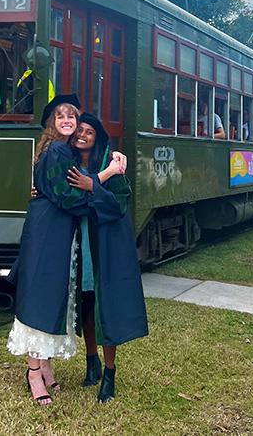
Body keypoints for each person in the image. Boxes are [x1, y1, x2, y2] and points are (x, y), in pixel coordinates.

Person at [6, 95, 124, 406]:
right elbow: (70, 197)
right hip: (49, 229)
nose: (68, 120)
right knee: (41, 295)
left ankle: (43, 365)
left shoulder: (54, 148)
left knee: (48, 294)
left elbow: (57, 188)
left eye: (72, 115)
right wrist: (106, 177)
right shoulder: (58, 149)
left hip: (52, 228)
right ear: (53, 123)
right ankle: (34, 371)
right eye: (61, 116)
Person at [67, 113, 148, 403]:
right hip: (79, 243)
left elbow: (119, 205)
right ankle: (91, 362)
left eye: (89, 131)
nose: (83, 135)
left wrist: (94, 187)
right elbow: (64, 197)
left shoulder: (112, 164)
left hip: (104, 245)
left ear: (97, 137)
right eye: (80, 130)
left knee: (105, 307)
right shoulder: (69, 163)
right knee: (86, 303)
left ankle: (110, 372)